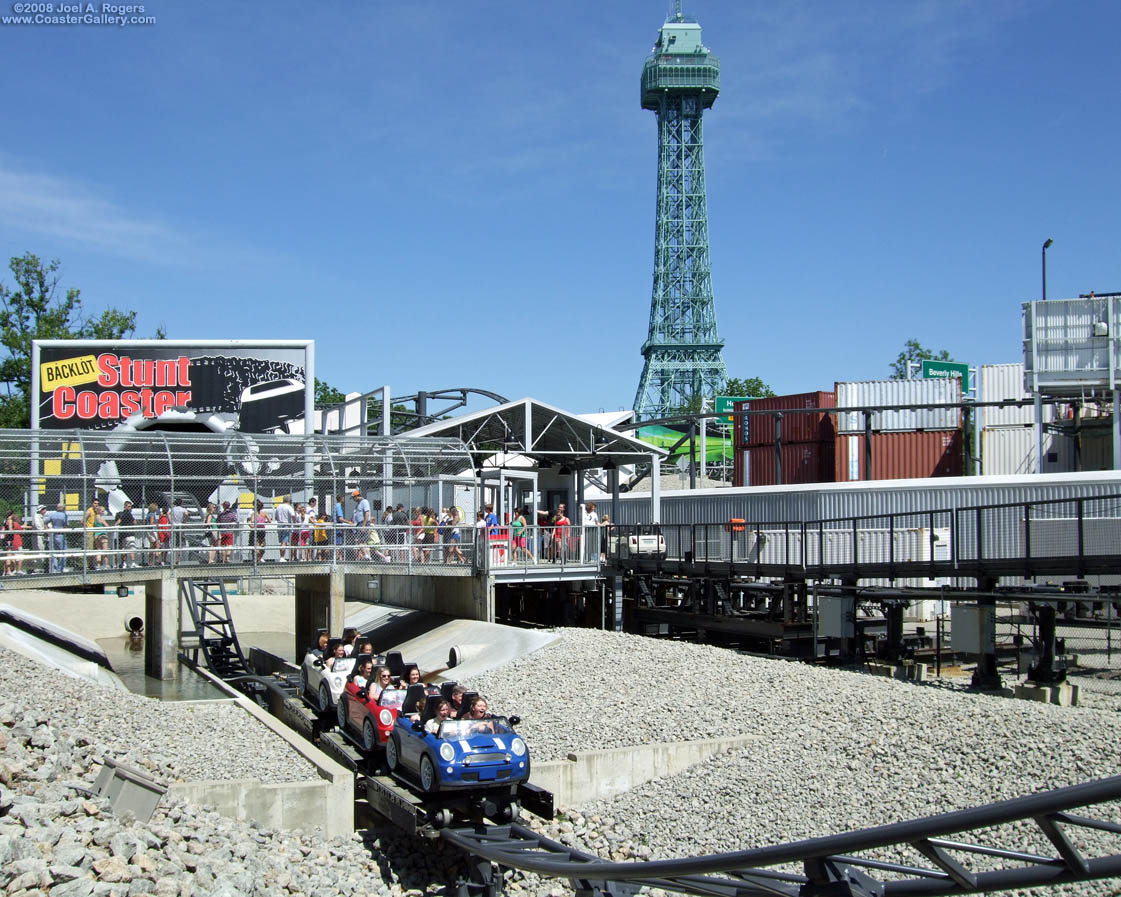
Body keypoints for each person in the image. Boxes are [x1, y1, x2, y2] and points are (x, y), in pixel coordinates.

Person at [45, 502, 69, 573]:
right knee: (63, 551)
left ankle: (54, 568)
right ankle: (61, 568)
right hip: (61, 534)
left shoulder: (52, 515)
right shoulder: (64, 515)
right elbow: (66, 525)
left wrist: (47, 531)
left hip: (53, 534)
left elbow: (45, 522)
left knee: (54, 552)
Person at [114, 501, 137, 569]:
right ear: (125, 506)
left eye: (130, 507)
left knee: (124, 549)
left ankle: (124, 563)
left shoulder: (121, 514)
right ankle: (132, 563)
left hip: (123, 535)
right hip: (129, 534)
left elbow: (118, 522)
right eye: (129, 506)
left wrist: (115, 525)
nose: (130, 508)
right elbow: (135, 522)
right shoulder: (128, 513)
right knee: (132, 548)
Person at [351, 489, 371, 560]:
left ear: (357, 496)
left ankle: (367, 555)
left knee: (359, 540)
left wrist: (364, 526)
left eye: (353, 498)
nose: (353, 500)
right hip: (359, 524)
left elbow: (367, 513)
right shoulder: (358, 504)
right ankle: (367, 556)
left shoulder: (364, 502)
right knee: (362, 541)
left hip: (363, 523)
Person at [274, 496, 295, 561]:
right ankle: (282, 557)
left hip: (279, 524)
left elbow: (276, 517)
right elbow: (293, 515)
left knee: (282, 542)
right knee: (284, 542)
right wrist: (294, 522)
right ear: (289, 501)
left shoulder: (278, 507)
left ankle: (281, 557)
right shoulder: (289, 507)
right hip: (286, 524)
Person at [144, 502, 160, 566]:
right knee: (157, 545)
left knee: (152, 546)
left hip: (148, 531)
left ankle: (150, 562)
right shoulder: (152, 514)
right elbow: (151, 523)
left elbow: (145, 522)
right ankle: (156, 560)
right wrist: (157, 524)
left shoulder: (148, 514)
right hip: (152, 531)